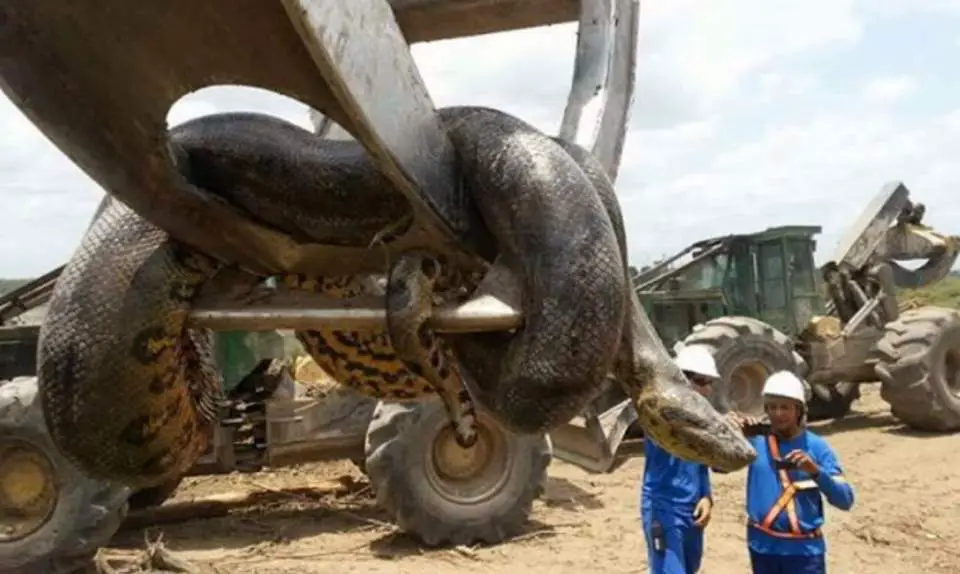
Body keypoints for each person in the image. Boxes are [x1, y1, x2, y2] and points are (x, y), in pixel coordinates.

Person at [728, 370, 855, 574]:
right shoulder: (755, 442)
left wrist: (816, 472)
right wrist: (730, 433)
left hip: (803, 554)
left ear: (799, 410)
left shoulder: (817, 447)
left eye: (785, 407)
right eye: (772, 407)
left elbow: (845, 500)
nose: (778, 414)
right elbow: (718, 467)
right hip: (762, 549)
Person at [640, 345, 721, 574]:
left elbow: (700, 463)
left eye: (710, 383)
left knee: (690, 568)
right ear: (681, 380)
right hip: (664, 510)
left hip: (693, 510)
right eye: (701, 381)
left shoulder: (700, 418)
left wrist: (706, 496)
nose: (707, 390)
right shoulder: (658, 417)